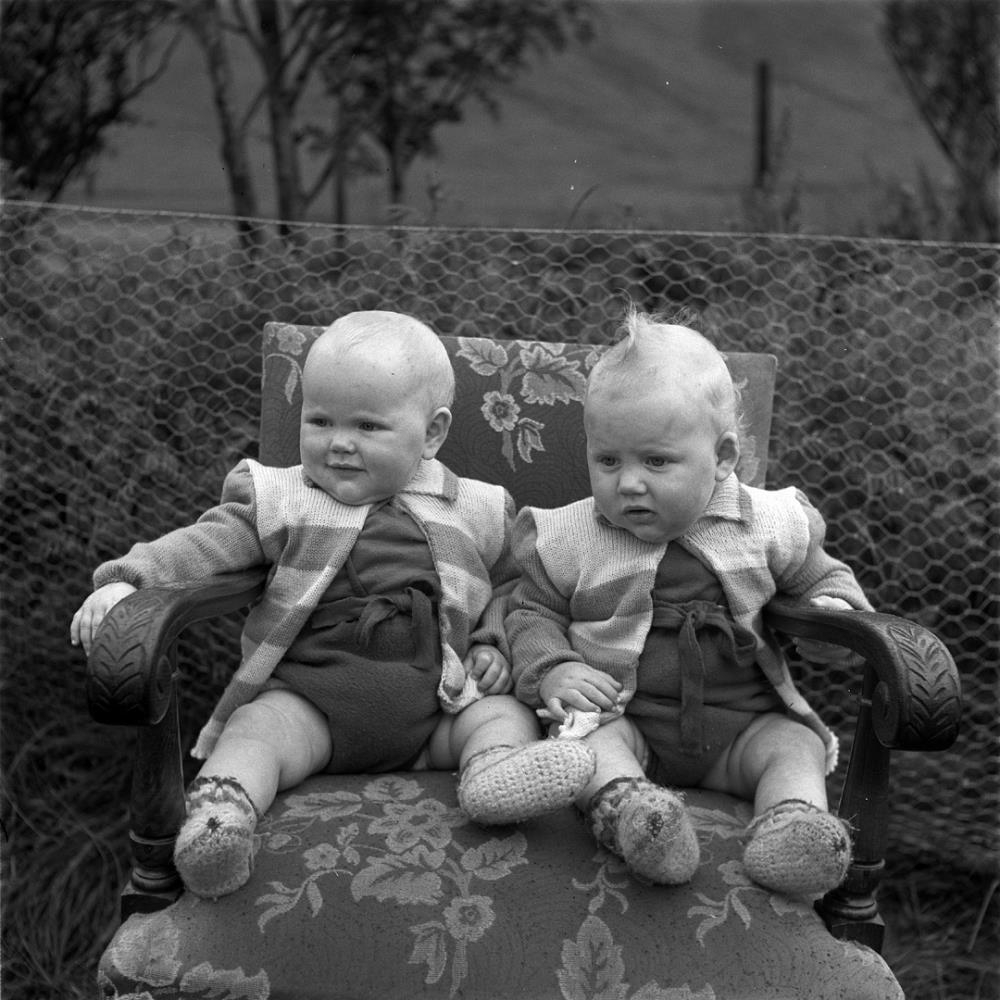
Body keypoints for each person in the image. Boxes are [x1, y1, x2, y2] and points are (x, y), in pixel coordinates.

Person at [72, 310, 595, 900]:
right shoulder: (282, 498)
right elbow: (204, 544)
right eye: (320, 420)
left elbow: (511, 587)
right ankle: (219, 824)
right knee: (254, 730)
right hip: (310, 710)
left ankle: (491, 774)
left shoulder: (476, 509)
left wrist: (490, 643)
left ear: (432, 433)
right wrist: (128, 578)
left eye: (368, 426)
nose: (339, 443)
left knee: (503, 713)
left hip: (437, 713)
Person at [506, 305, 872, 897]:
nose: (629, 482)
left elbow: (822, 578)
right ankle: (638, 819)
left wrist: (834, 615)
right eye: (608, 460)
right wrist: (554, 670)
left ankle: (795, 833)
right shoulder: (568, 537)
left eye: (656, 461)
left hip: (742, 730)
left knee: (795, 744)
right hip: (625, 722)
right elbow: (530, 612)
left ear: (722, 457)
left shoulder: (771, 522)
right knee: (585, 747)